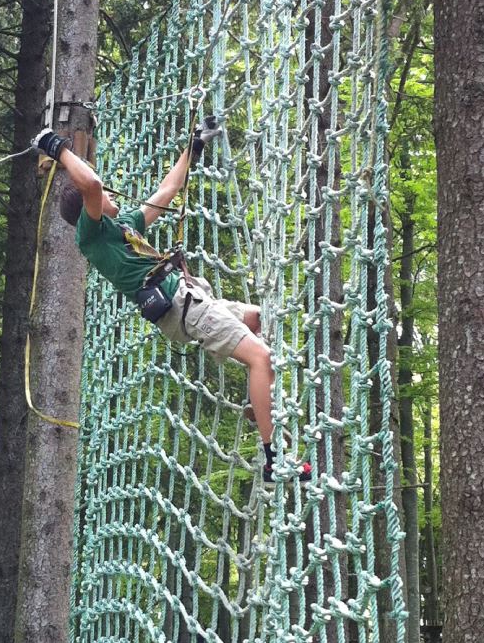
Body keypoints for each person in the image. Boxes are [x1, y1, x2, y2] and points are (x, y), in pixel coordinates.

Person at [32, 122, 310, 484]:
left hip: (193, 297)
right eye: (105, 197)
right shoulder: (92, 236)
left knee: (259, 319)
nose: (112, 196)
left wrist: (193, 148)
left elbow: (168, 189)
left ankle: (259, 406)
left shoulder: (124, 226)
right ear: (90, 207)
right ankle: (275, 459)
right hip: (183, 307)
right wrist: (57, 147)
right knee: (261, 357)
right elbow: (93, 185)